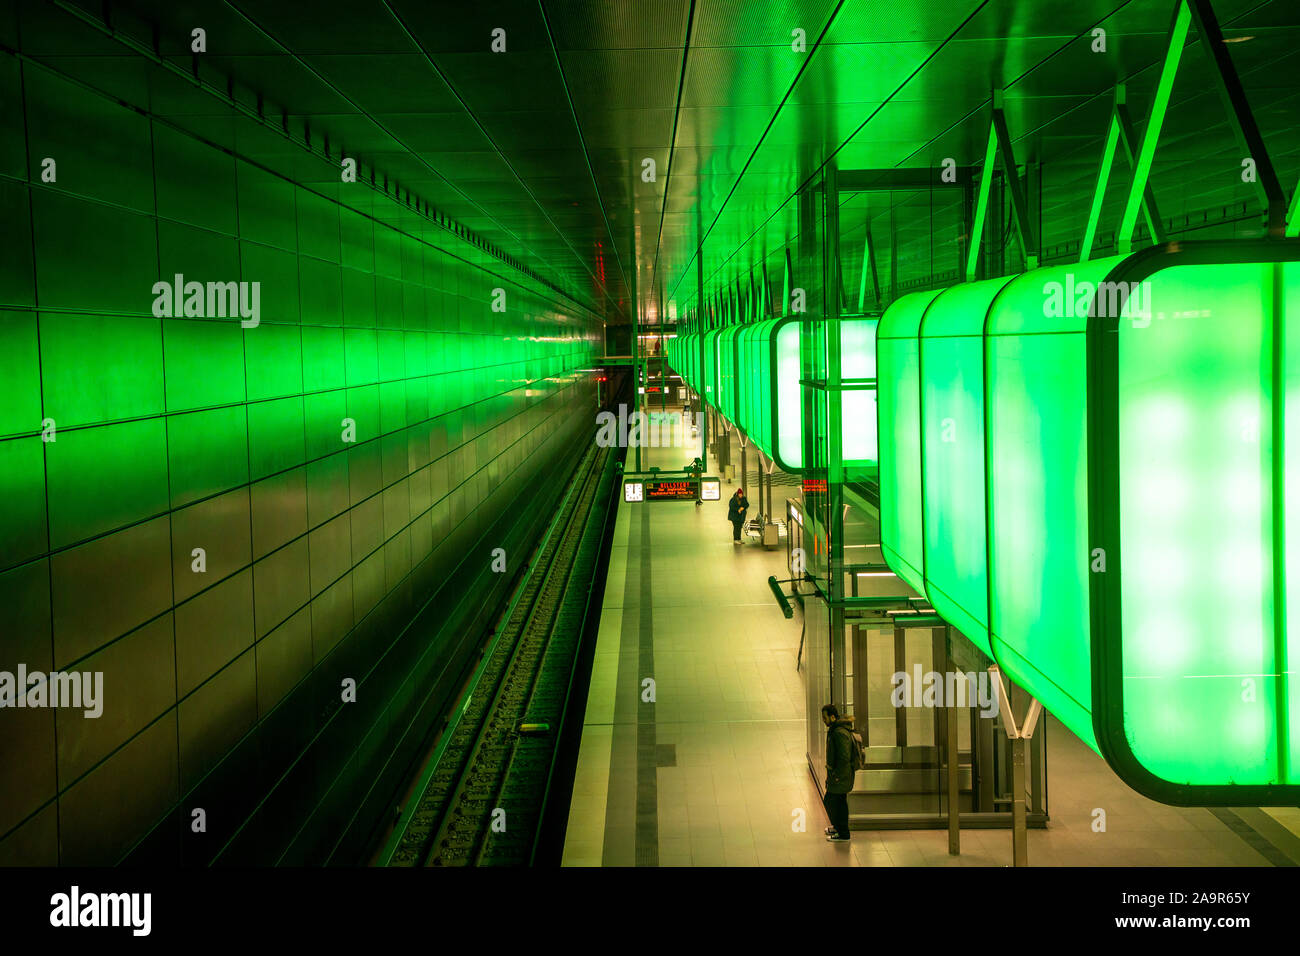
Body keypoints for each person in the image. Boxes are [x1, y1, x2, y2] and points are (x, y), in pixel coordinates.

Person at [821, 703, 855, 842]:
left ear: (833, 717)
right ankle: (839, 828)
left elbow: (844, 758)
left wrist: (836, 777)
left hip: (841, 776)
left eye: (825, 717)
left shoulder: (839, 733)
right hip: (839, 776)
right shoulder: (836, 730)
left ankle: (843, 833)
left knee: (833, 802)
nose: (824, 720)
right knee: (837, 802)